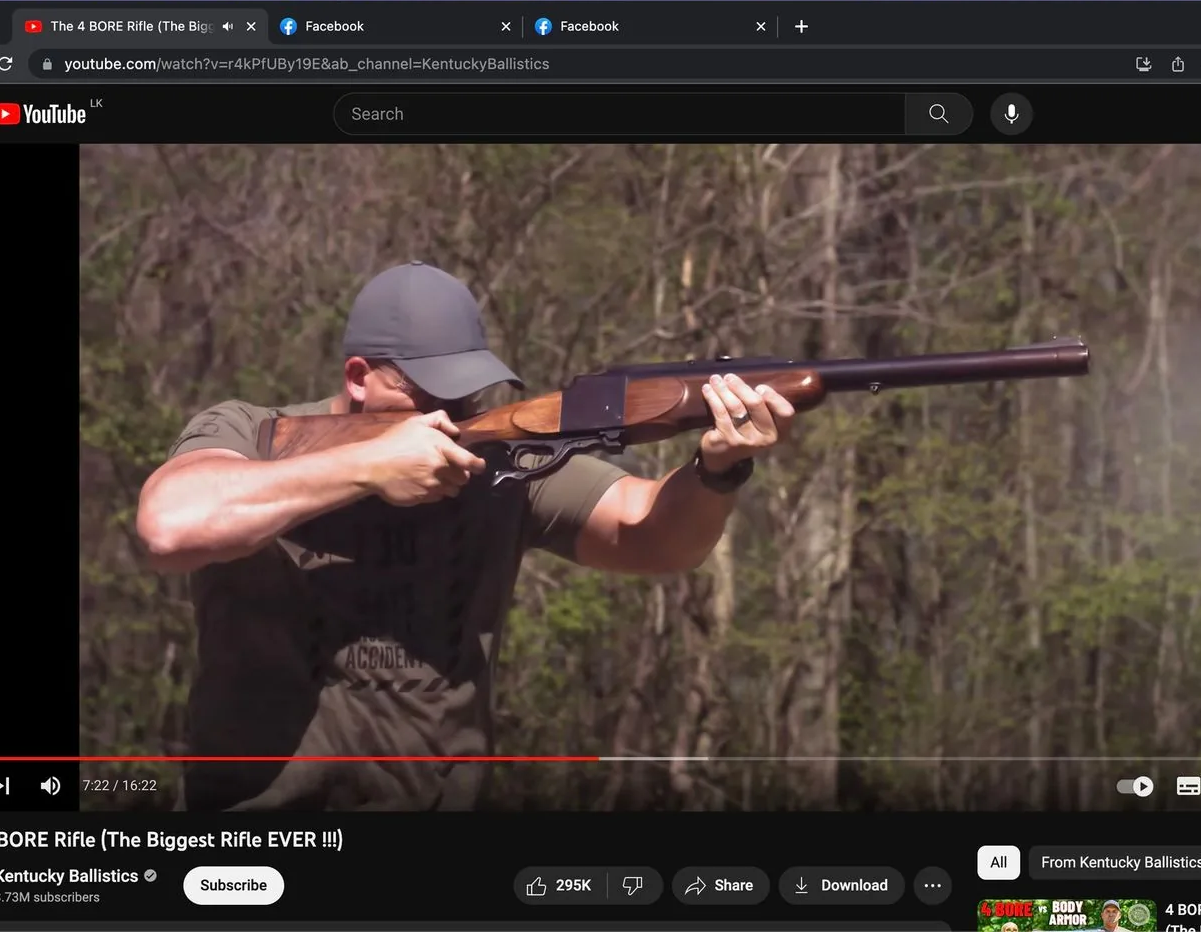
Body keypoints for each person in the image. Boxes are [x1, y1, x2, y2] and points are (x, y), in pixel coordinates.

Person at [136, 262, 796, 810]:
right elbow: (170, 527)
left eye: (464, 398)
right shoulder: (249, 434)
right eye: (429, 398)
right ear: (359, 378)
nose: (451, 419)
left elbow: (654, 537)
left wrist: (717, 470)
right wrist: (367, 467)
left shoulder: (500, 459)